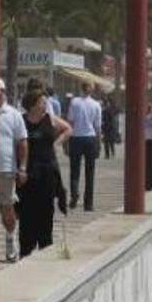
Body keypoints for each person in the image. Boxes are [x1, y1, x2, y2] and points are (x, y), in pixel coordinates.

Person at [16, 89, 71, 257]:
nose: (45, 104)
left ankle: (45, 248)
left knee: (46, 213)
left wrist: (56, 143)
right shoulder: (22, 121)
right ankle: (26, 251)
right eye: (41, 102)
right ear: (32, 105)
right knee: (26, 215)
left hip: (47, 174)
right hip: (27, 175)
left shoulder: (49, 119)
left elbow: (68, 129)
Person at [0, 78, 28, 262]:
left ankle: (10, 239)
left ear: (4, 92)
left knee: (7, 209)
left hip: (6, 170)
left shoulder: (13, 115)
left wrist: (22, 167)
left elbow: (23, 142)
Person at [66, 82, 101, 211]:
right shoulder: (96, 104)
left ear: (81, 89)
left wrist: (66, 142)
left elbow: (70, 121)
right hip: (90, 138)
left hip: (76, 137)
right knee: (90, 172)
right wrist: (98, 144)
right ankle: (88, 204)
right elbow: (97, 127)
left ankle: (74, 193)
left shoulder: (74, 102)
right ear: (91, 90)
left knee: (74, 170)